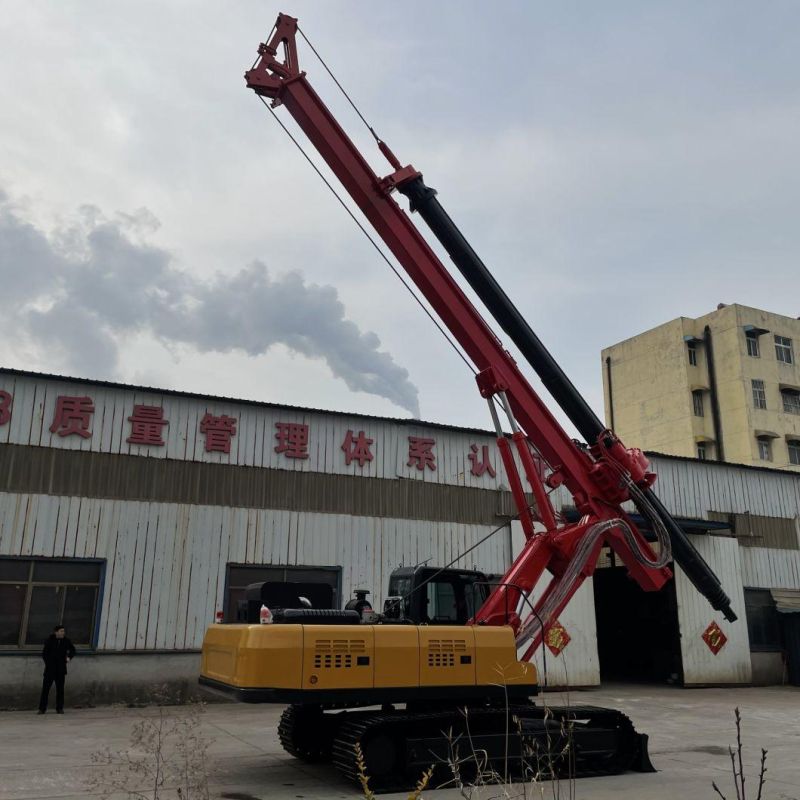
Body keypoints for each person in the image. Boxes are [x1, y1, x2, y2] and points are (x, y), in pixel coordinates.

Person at [38, 625, 76, 714]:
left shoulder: (66, 641)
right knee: (45, 689)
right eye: (61, 631)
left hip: (61, 669)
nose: (63, 633)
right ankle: (42, 708)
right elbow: (44, 653)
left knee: (60, 690)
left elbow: (73, 650)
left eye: (63, 631)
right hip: (50, 669)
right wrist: (49, 663)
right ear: (56, 632)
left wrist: (69, 657)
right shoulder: (49, 640)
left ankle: (59, 708)